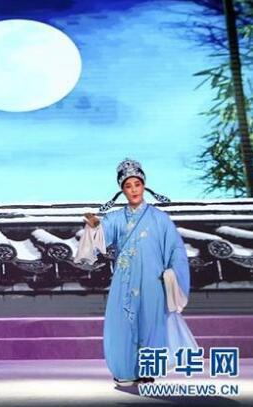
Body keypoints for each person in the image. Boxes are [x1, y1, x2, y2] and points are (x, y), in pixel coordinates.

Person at [75, 159, 197, 387]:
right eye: (128, 186)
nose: (133, 190)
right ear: (122, 190)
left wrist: (171, 275)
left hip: (153, 281)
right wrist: (94, 225)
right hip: (125, 280)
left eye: (137, 184)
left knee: (151, 324)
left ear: (144, 186)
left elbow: (176, 250)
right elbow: (101, 236)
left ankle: (147, 370)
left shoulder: (160, 219)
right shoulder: (115, 218)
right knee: (121, 324)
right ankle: (124, 370)